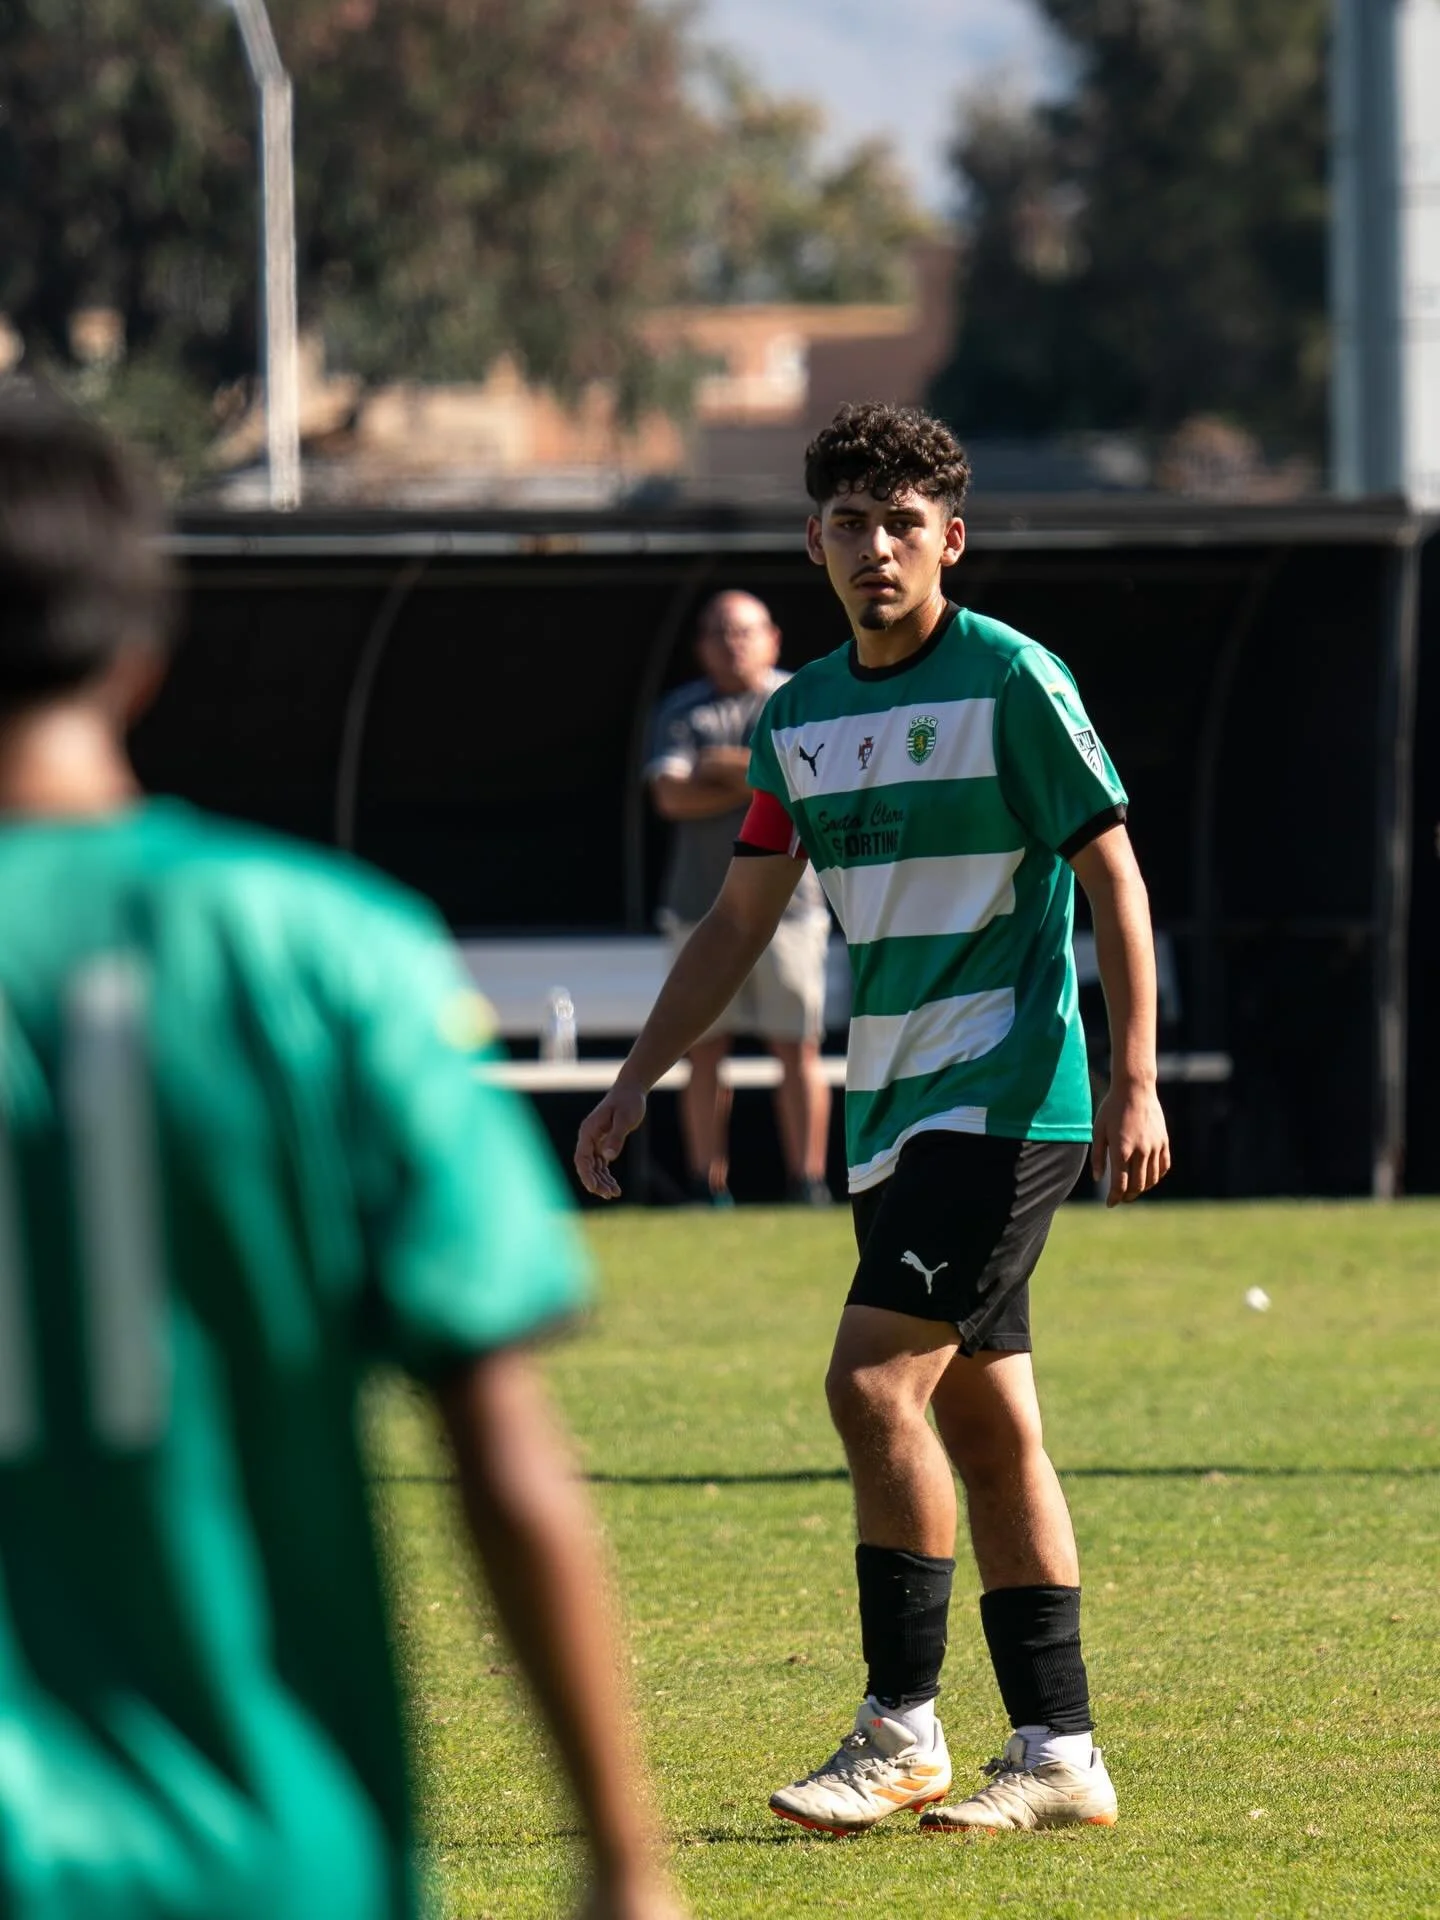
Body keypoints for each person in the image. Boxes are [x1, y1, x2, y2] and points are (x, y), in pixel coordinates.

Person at [0, 386, 682, 1920]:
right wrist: (626, 1865)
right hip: (277, 1857)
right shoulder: (324, 952)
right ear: (139, 654)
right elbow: (499, 1439)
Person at [577, 402, 1170, 1837]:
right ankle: (1060, 1751)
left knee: (867, 1388)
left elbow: (1114, 880)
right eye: (851, 523)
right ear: (814, 544)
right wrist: (638, 1073)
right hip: (889, 1107)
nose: (877, 547)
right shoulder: (800, 719)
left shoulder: (1015, 680)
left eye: (905, 523)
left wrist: (1138, 1077)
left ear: (950, 540)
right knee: (986, 1424)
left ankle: (900, 1729)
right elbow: (737, 920)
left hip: (1007, 1093)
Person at [646, 590, 832, 1205]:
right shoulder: (683, 709)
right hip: (700, 907)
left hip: (792, 906)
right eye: (721, 634)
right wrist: (761, 781)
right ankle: (708, 1185)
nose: (734, 644)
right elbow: (671, 797)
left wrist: (723, 770)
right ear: (702, 646)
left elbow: (813, 787)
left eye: (745, 631)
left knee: (796, 1046)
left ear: (773, 637)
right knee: (702, 1048)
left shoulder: (799, 699)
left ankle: (807, 1183)